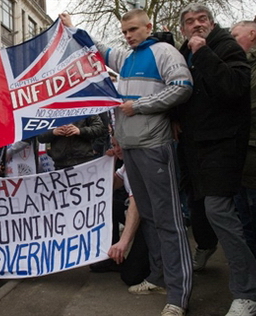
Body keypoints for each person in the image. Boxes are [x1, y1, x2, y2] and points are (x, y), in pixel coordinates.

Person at [60, 9, 193, 316]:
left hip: (154, 147)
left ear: (149, 26)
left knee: (168, 222)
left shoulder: (164, 52)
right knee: (149, 217)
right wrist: (71, 28)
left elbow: (183, 87)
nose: (129, 35)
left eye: (133, 29)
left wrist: (141, 105)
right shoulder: (127, 58)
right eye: (125, 32)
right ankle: (159, 277)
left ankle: (178, 295)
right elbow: (98, 50)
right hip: (130, 149)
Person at [175, 4, 256, 315]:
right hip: (194, 148)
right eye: (190, 22)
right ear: (182, 29)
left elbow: (234, 88)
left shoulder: (225, 47)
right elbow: (183, 94)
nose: (196, 25)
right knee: (201, 211)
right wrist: (174, 117)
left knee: (218, 210)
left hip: (223, 146)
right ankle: (207, 249)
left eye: (202, 19)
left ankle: (246, 292)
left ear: (211, 22)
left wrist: (204, 52)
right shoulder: (183, 54)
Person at [90, 136, 150, 287]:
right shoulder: (125, 165)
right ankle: (111, 258)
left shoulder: (139, 163)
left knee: (131, 277)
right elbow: (110, 185)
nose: (116, 149)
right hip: (138, 213)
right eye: (114, 145)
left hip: (150, 221)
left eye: (119, 145)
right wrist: (109, 162)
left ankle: (155, 264)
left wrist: (123, 242)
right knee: (107, 205)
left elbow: (135, 207)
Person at [231, 20, 256, 258]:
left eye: (235, 36)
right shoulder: (240, 64)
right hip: (241, 150)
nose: (232, 41)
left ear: (252, 33)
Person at [37, 116, 106, 170]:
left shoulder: (84, 105)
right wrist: (53, 132)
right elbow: (40, 136)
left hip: (84, 161)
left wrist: (80, 131)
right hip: (61, 164)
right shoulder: (49, 110)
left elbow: (99, 128)